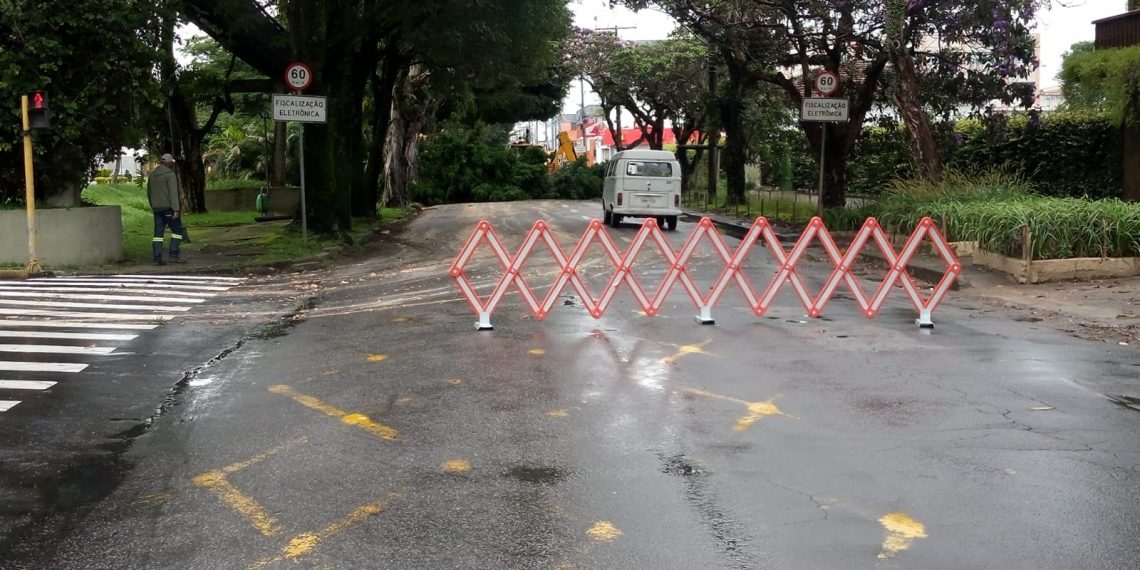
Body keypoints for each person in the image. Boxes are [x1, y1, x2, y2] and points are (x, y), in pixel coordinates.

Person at [146, 153, 187, 265]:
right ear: (167, 162)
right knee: (178, 231)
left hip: (157, 208)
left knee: (158, 234)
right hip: (168, 208)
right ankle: (173, 255)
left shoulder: (152, 175)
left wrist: (153, 205)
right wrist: (176, 210)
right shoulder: (170, 175)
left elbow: (149, 193)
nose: (172, 164)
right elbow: (173, 193)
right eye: (171, 162)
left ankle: (157, 258)